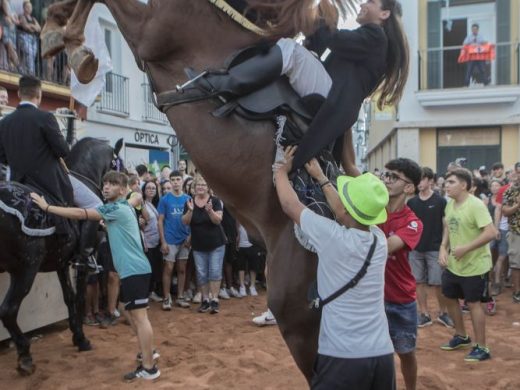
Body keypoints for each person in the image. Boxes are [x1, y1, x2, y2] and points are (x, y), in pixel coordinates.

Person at [192, 0, 408, 170]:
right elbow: (322, 42)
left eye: (370, 1)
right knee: (292, 52)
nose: (362, 4)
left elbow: (336, 41)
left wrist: (323, 15)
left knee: (290, 50)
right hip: (331, 92)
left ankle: (226, 84)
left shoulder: (376, 35)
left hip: (331, 96)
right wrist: (317, 22)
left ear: (384, 14)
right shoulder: (371, 39)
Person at [273, 146, 395, 389]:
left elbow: (290, 206)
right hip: (382, 355)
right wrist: (322, 178)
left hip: (342, 357)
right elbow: (343, 212)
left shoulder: (333, 237)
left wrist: (280, 172)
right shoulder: (378, 240)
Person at [30, 171, 160, 381]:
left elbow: (81, 213)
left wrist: (47, 208)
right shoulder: (124, 206)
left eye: (112, 184)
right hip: (133, 270)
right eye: (105, 183)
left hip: (134, 270)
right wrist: (110, 224)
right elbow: (134, 199)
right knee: (123, 308)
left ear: (121, 189)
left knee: (140, 317)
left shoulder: (115, 208)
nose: (106, 187)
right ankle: (148, 350)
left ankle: (149, 367)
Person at [439, 168, 496, 362]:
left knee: (473, 303)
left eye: (451, 182)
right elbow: (448, 225)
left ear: (464, 185)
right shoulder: (450, 204)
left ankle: (482, 347)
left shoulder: (476, 205)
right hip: (455, 264)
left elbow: (491, 233)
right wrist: (443, 247)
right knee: (449, 297)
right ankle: (461, 336)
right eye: (446, 182)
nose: (446, 185)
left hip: (475, 265)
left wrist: (466, 248)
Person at [378, 158, 423, 390]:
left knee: (406, 353)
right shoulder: (372, 210)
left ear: (409, 188)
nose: (386, 180)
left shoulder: (412, 222)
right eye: (386, 175)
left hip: (401, 300)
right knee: (379, 355)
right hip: (373, 299)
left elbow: (385, 247)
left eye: (393, 177)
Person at [407, 167, 453, 328]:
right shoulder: (411, 202)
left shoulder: (440, 201)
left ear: (430, 181)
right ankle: (424, 314)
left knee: (438, 283)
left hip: (434, 248)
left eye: (422, 179)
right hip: (416, 249)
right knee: (418, 282)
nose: (419, 183)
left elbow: (445, 225)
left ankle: (443, 313)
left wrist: (444, 247)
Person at [182, 175, 226, 314]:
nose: (200, 187)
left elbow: (218, 220)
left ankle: (214, 300)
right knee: (201, 273)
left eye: (203, 185)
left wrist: (210, 211)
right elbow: (185, 221)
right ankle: (205, 300)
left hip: (216, 244)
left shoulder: (215, 201)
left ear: (208, 187)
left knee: (214, 271)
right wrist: (190, 210)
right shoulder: (189, 202)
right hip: (198, 245)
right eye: (198, 185)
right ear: (194, 188)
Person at [157, 170, 191, 310]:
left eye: (178, 179)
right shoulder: (165, 199)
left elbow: (192, 220)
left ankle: (181, 297)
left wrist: (190, 237)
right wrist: (163, 241)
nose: (176, 182)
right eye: (173, 180)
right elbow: (160, 221)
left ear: (182, 180)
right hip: (170, 239)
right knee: (168, 268)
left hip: (184, 239)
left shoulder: (188, 199)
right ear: (170, 182)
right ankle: (166, 298)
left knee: (182, 269)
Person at [501, 162, 520, 304]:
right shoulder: (510, 191)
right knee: (516, 264)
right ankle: (517, 292)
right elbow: (505, 212)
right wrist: (517, 205)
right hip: (516, 232)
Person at [142, 179, 163, 302]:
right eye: (148, 188)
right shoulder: (141, 204)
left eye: (153, 188)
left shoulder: (157, 204)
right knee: (147, 269)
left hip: (157, 242)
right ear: (144, 191)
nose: (151, 190)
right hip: (146, 242)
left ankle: (151, 292)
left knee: (155, 268)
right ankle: (145, 294)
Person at [17, 0, 40, 75]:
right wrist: (33, 27)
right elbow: (25, 27)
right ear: (24, 8)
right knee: (29, 54)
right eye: (28, 7)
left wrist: (31, 26)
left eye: (30, 7)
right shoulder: (21, 16)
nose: (29, 8)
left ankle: (26, 72)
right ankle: (31, 73)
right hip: (24, 36)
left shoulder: (33, 18)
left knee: (32, 56)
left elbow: (39, 28)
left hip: (33, 39)